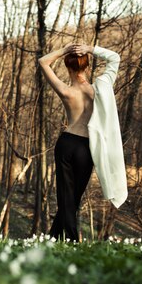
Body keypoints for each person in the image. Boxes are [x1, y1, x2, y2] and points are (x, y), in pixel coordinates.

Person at [38, 43, 128, 242]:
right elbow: (115, 58)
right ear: (87, 67)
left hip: (67, 143)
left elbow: (43, 62)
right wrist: (90, 48)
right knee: (73, 198)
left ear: (68, 68)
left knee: (66, 197)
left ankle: (65, 239)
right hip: (87, 148)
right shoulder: (101, 89)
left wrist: (65, 49)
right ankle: (59, 239)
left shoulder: (66, 91)